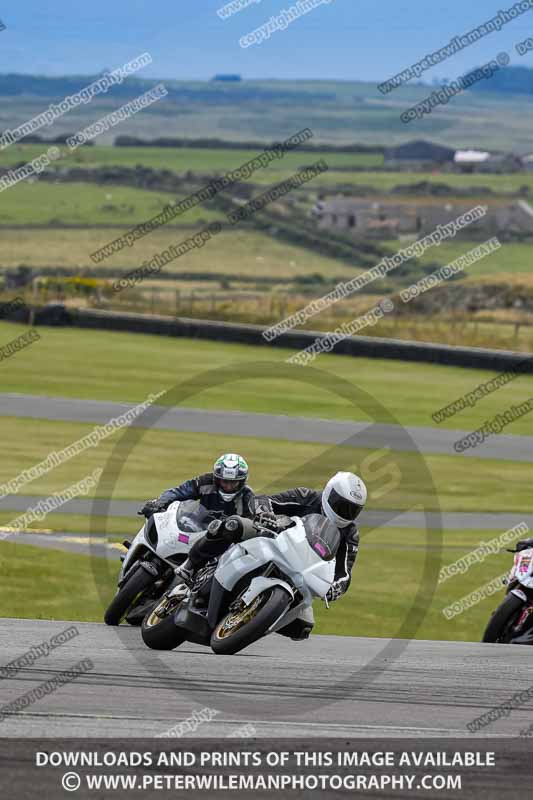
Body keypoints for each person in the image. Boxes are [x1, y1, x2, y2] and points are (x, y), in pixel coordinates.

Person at [139, 453, 271, 585]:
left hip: (214, 543)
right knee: (157, 518)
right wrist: (159, 502)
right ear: (217, 478)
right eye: (224, 481)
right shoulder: (205, 481)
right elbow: (179, 491)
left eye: (233, 482)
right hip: (192, 525)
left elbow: (250, 524)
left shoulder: (247, 497)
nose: (228, 486)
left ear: (242, 481)